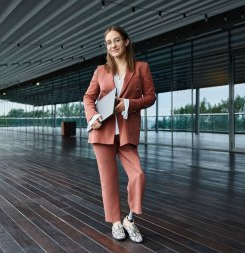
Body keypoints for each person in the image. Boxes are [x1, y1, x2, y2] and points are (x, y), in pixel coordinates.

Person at [83, 25, 156, 243]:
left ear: (126, 41)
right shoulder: (101, 71)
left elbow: (150, 97)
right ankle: (115, 222)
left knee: (138, 175)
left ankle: (130, 220)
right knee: (108, 179)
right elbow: (88, 97)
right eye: (108, 42)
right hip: (102, 132)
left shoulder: (141, 68)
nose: (112, 45)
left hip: (126, 132)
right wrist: (92, 117)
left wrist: (128, 104)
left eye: (116, 40)